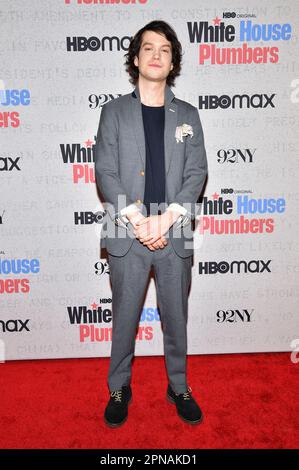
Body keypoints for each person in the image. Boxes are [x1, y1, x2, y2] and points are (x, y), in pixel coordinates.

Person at [95, 20, 208, 428]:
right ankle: (119, 387)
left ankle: (178, 385)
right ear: (136, 58)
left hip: (174, 233)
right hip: (128, 234)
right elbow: (105, 172)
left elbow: (197, 173)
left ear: (173, 60)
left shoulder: (189, 115)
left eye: (164, 49)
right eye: (148, 48)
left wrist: (168, 218)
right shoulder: (113, 112)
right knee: (124, 317)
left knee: (175, 317)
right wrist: (140, 220)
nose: (156, 55)